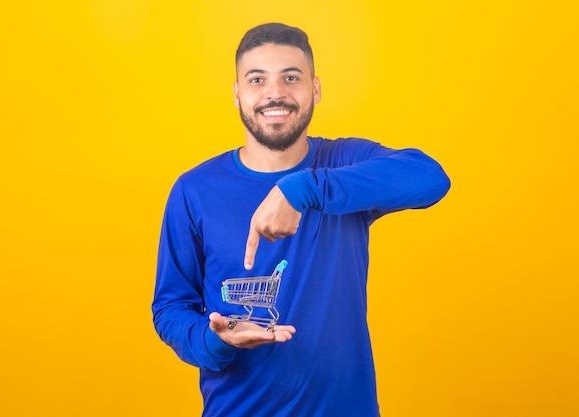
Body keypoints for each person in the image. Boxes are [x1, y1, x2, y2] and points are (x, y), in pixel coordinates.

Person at [152, 22, 450, 417]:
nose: (275, 93)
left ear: (315, 89)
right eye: (257, 79)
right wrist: (215, 342)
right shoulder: (194, 190)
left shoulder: (344, 164)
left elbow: (430, 178)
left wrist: (303, 189)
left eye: (291, 77)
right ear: (238, 93)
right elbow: (171, 307)